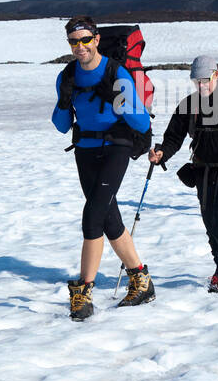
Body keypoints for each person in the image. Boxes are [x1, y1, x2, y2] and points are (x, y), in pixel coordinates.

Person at [52, 16, 155, 321]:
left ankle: (83, 292)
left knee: (93, 215)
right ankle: (141, 280)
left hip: (116, 147)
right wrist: (63, 102)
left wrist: (120, 102)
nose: (80, 46)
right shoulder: (67, 76)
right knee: (109, 218)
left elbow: (142, 122)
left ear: (96, 40)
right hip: (84, 150)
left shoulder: (117, 73)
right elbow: (61, 125)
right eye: (74, 41)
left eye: (85, 40)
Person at [147, 56, 218, 292]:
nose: (201, 85)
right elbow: (174, 138)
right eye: (196, 81)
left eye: (205, 80)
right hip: (202, 169)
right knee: (210, 218)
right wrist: (161, 154)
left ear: (217, 76)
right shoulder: (189, 105)